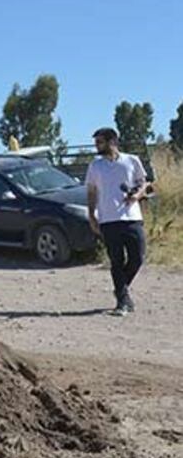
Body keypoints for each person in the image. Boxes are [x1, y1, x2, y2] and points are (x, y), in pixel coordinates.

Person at [86, 127, 151, 317]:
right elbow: (91, 191)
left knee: (137, 257)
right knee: (116, 260)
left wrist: (138, 194)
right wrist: (92, 215)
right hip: (108, 218)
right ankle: (123, 301)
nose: (96, 146)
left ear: (112, 142)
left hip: (132, 217)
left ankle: (120, 289)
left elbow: (144, 182)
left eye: (100, 142)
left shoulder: (132, 160)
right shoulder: (95, 166)